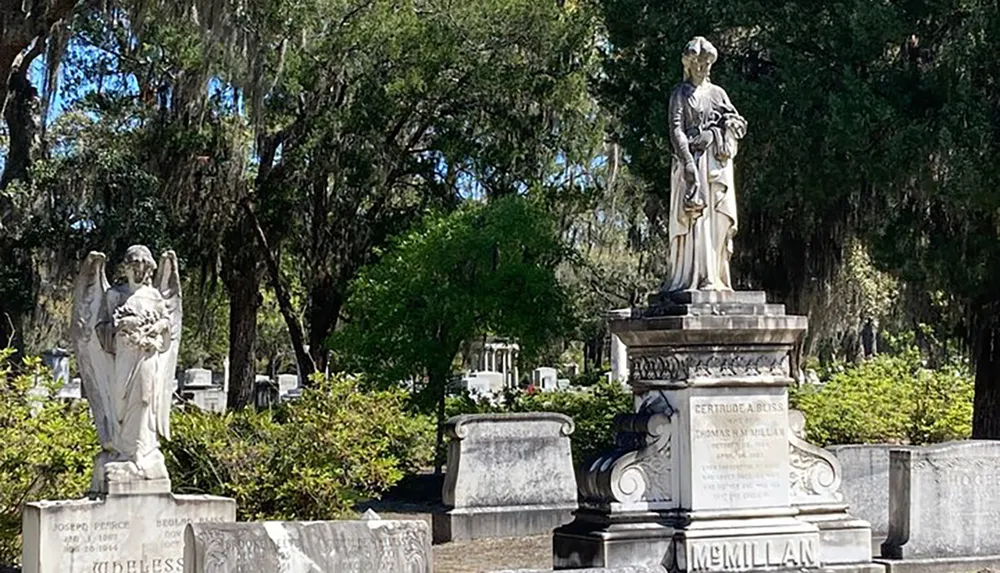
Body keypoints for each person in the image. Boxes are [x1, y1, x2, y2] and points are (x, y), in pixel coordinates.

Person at [664, 36, 747, 292]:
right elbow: (676, 129)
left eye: (706, 62)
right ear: (688, 64)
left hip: (715, 166)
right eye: (696, 62)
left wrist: (726, 129)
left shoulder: (718, 94)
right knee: (694, 221)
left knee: (715, 219)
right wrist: (688, 163)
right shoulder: (680, 94)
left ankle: (714, 276)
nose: (701, 67)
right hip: (691, 165)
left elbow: (737, 122)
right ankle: (692, 275)